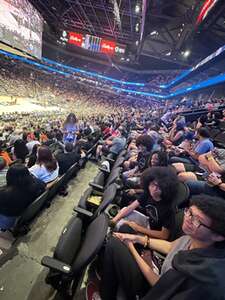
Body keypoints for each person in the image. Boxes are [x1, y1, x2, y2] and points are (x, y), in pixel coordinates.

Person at [97, 195, 225, 300]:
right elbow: (170, 247)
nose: (188, 219)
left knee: (114, 244)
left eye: (197, 220)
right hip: (159, 269)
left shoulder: (197, 270)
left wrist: (130, 246)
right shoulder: (191, 237)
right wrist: (137, 239)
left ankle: (106, 295)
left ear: (218, 236)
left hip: (152, 290)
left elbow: (159, 285)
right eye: (189, 212)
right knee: (126, 229)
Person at [112, 167, 178, 240]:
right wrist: (114, 220)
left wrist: (138, 228)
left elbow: (163, 235)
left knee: (123, 227)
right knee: (122, 213)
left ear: (166, 189)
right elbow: (131, 207)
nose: (154, 189)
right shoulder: (148, 193)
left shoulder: (169, 208)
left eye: (159, 187)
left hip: (154, 235)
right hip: (147, 221)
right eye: (153, 184)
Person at [0, 164, 46, 230]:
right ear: (27, 173)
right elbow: (44, 185)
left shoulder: (5, 194)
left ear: (9, 176)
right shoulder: (37, 183)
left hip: (9, 221)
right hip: (26, 214)